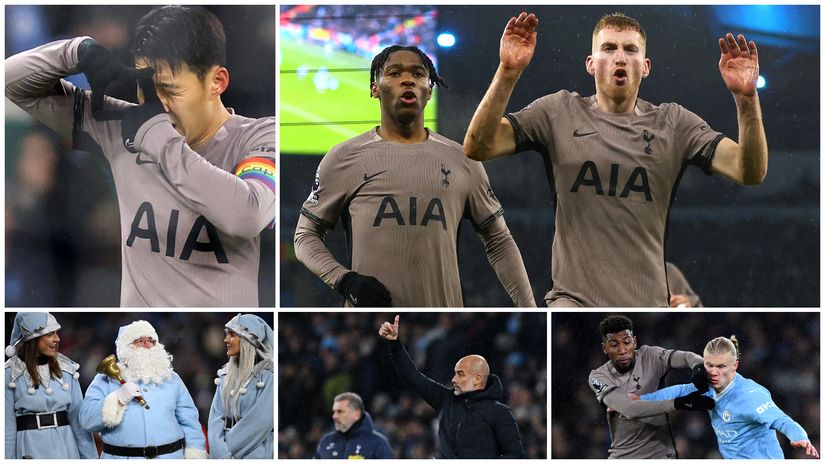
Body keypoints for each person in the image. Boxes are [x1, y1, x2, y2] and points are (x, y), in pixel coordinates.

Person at [463, 12, 767, 307]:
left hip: (647, 303)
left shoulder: (674, 123)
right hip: (571, 302)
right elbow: (478, 147)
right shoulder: (558, 111)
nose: (620, 57)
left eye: (630, 49)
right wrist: (508, 72)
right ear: (591, 64)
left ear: (645, 66)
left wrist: (746, 99)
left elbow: (749, 171)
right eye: (608, 48)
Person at [5, 5, 277, 307]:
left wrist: (156, 135)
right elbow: (13, 82)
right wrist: (75, 52)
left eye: (171, 90)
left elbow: (247, 217)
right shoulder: (122, 126)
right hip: (138, 336)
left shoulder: (258, 137)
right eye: (148, 89)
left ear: (217, 82)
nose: (158, 106)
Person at [294, 44, 535, 307]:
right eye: (394, 73)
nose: (408, 79)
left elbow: (499, 239)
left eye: (418, 74)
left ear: (429, 90)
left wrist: (529, 308)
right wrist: (344, 280)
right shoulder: (343, 157)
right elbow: (305, 235)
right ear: (375, 89)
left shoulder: (464, 160)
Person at [638, 335, 819, 458]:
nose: (714, 372)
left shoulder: (750, 395)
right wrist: (639, 402)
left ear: (735, 366)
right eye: (709, 365)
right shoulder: (707, 386)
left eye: (721, 367)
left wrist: (799, 436)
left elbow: (781, 420)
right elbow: (678, 391)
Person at [378, 314, 524, 458]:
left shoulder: (500, 413)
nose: (453, 379)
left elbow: (515, 455)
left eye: (460, 374)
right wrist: (395, 343)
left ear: (477, 378)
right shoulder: (445, 400)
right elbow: (413, 377)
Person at [587, 315, 714, 458]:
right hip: (625, 456)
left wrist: (698, 365)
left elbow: (685, 356)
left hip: (663, 455)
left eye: (626, 342)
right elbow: (630, 409)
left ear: (634, 342)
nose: (622, 350)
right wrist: (678, 403)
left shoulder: (650, 356)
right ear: (605, 348)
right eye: (615, 345)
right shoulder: (599, 376)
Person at [79, 320, 207, 459]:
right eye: (140, 341)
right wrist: (118, 399)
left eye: (151, 340)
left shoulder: (172, 379)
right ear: (125, 347)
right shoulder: (105, 379)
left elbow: (190, 421)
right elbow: (86, 420)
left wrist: (196, 455)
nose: (147, 345)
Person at [4, 312, 97, 459]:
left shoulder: (67, 370)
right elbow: (6, 428)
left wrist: (90, 459)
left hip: (66, 448)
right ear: (33, 338)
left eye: (56, 333)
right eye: (50, 334)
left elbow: (79, 424)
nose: (57, 339)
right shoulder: (9, 374)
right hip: (29, 450)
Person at [208, 314, 274, 459]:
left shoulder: (269, 376)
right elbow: (215, 417)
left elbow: (260, 422)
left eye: (232, 335)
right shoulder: (225, 374)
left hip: (255, 453)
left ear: (247, 339)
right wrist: (219, 452)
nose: (225, 340)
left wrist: (225, 453)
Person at [314, 392, 393, 459]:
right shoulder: (326, 442)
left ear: (356, 414)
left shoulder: (378, 444)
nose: (334, 416)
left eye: (340, 412)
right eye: (334, 412)